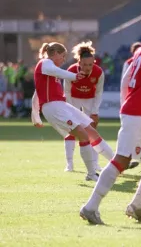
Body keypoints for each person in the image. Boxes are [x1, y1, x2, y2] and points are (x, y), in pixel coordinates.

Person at [79, 12, 141, 225]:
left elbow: (125, 80)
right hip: (140, 112)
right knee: (121, 161)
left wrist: (126, 104)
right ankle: (90, 207)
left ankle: (136, 205)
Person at [31, 42, 105, 182]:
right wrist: (74, 76)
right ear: (56, 54)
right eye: (63, 56)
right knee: (83, 134)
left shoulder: (49, 70)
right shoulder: (45, 63)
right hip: (53, 107)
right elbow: (59, 73)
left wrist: (35, 116)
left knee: (91, 130)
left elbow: (36, 94)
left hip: (61, 105)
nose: (64, 60)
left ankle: (113, 163)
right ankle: (91, 173)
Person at [64, 42, 139, 173]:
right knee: (71, 129)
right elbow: (67, 92)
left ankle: (96, 164)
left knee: (92, 131)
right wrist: (71, 110)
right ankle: (69, 164)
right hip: (73, 100)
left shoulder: (98, 72)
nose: (88, 68)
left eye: (91, 64)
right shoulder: (70, 71)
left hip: (90, 100)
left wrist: (94, 111)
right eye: (85, 65)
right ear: (79, 62)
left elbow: (98, 93)